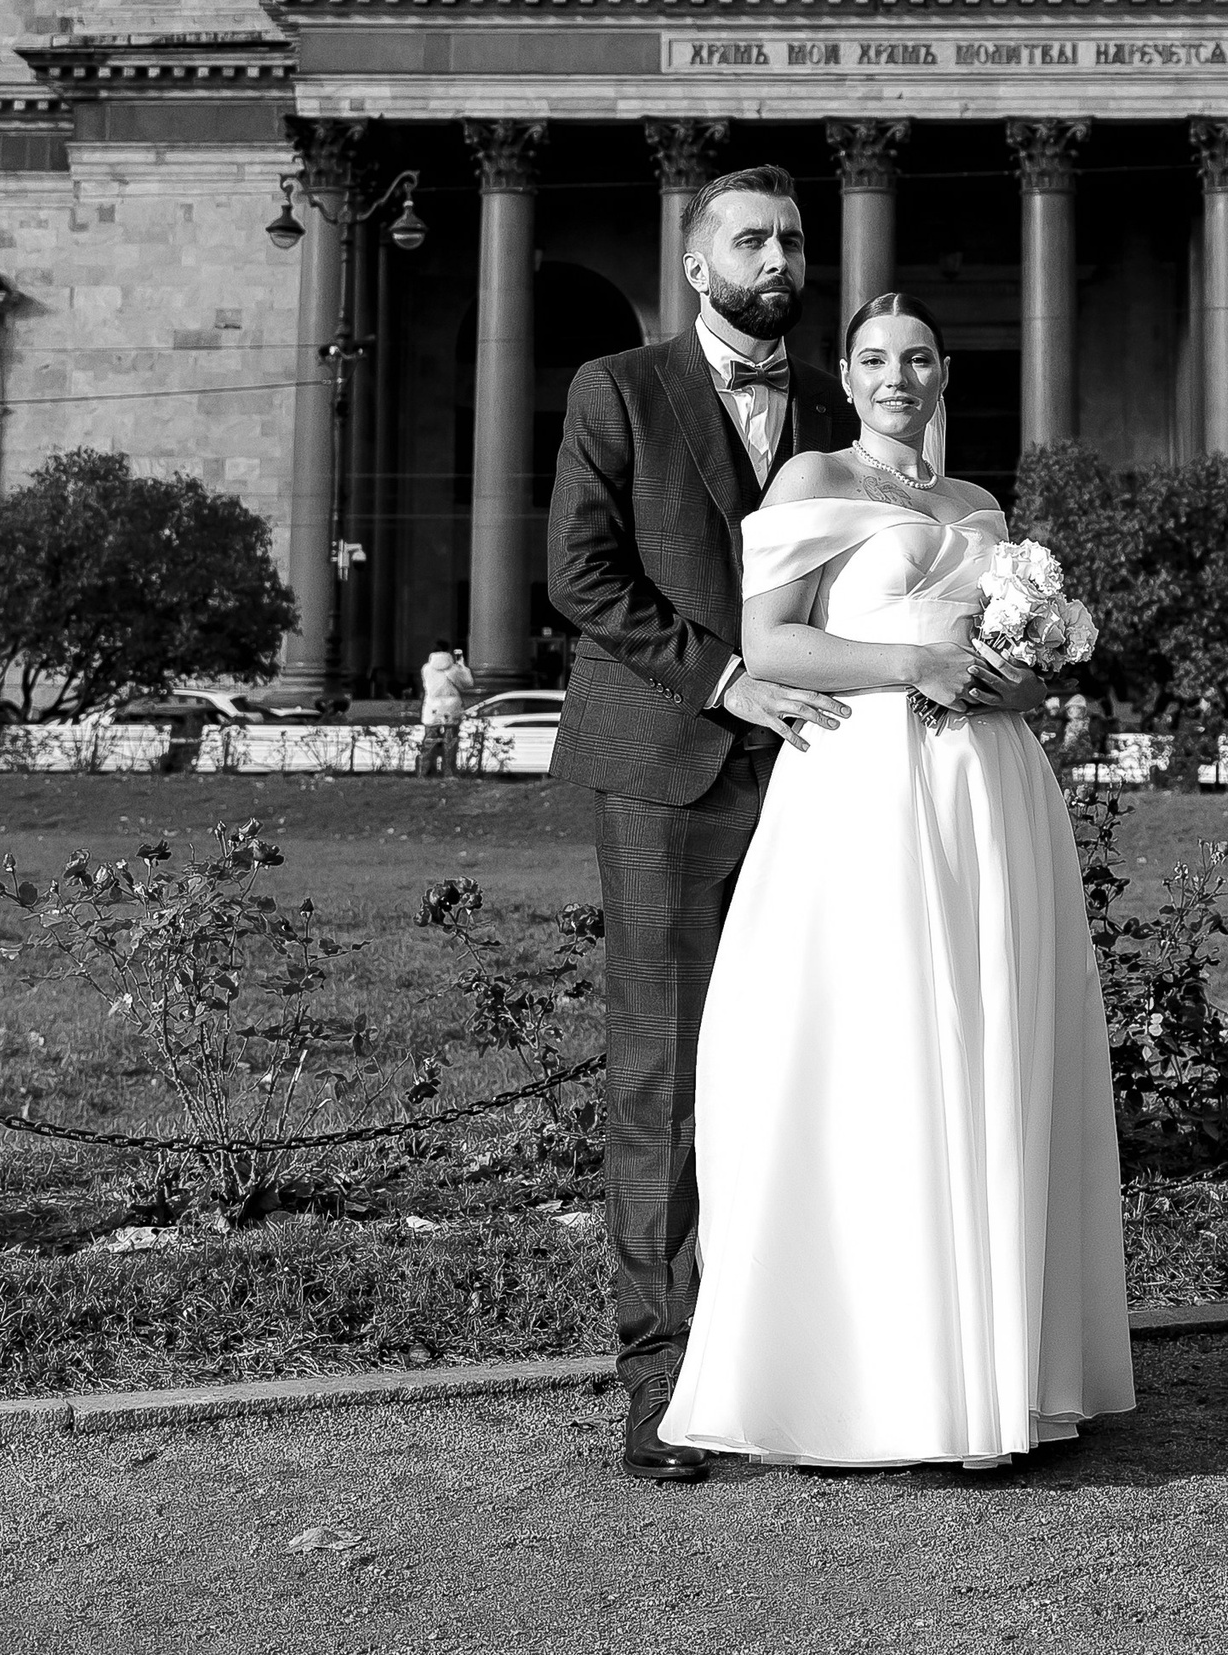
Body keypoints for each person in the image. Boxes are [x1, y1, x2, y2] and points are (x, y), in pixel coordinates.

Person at [661, 292, 1134, 1473]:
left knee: (994, 1049)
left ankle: (1002, 1377)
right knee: (885, 1051)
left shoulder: (979, 506)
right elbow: (769, 644)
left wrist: (1017, 674)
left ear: (942, 372)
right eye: (874, 359)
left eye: (918, 357)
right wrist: (910, 662)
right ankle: (886, 1382)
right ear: (845, 372)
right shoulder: (810, 484)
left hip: (993, 791)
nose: (897, 377)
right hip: (864, 789)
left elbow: (1014, 670)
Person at [545, 163, 850, 1484]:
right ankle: (659, 1375)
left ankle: (794, 1350)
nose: (775, 253)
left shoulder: (835, 400)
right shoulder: (617, 387)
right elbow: (582, 574)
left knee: (804, 1067)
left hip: (821, 777)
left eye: (789, 235)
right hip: (667, 762)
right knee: (661, 1073)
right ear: (695, 261)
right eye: (749, 236)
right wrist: (730, 678)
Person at [415, 638, 475, 776]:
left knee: (430, 739)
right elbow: (468, 683)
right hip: (451, 706)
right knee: (451, 740)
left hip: (432, 706)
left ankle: (425, 771)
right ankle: (449, 772)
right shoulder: (454, 669)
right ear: (448, 651)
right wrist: (461, 665)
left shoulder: (426, 668)